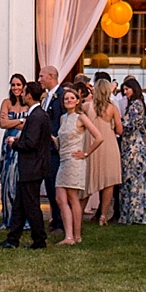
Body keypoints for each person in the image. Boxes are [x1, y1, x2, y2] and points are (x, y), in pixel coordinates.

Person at [1, 82, 52, 249]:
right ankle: (13, 238)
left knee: (31, 206)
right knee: (20, 205)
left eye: (23, 92)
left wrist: (14, 143)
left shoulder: (36, 116)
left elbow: (31, 143)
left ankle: (39, 240)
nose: (21, 95)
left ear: (29, 95)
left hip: (32, 167)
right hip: (32, 166)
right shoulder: (38, 114)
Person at [52, 86, 97, 245]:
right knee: (60, 198)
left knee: (72, 197)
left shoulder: (81, 117)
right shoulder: (63, 119)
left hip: (74, 161)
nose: (69, 101)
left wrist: (86, 153)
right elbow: (60, 143)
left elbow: (98, 137)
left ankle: (76, 235)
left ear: (77, 101)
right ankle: (68, 235)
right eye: (66, 99)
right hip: (63, 159)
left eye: (72, 98)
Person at [86, 76, 123, 224]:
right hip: (109, 143)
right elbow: (119, 129)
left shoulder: (87, 106)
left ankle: (82, 209)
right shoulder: (112, 107)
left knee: (90, 177)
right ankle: (103, 215)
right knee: (109, 180)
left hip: (92, 143)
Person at [34, 64, 65, 231]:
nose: (39, 80)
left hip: (55, 148)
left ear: (51, 76)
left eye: (41, 76)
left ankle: (60, 221)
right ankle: (55, 218)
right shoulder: (46, 97)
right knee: (50, 184)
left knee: (55, 184)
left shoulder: (61, 96)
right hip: (45, 149)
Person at [0, 74, 30, 233]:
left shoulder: (28, 104)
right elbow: (2, 123)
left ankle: (23, 219)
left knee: (21, 181)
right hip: (9, 147)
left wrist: (17, 123)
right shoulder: (7, 102)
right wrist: (22, 122)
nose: (16, 88)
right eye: (13, 85)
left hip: (24, 145)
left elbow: (31, 125)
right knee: (7, 181)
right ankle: (8, 218)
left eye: (19, 85)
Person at [116, 77, 146, 223]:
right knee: (131, 178)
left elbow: (131, 125)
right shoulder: (136, 104)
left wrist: (118, 122)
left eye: (127, 89)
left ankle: (134, 214)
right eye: (123, 90)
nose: (125, 92)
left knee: (133, 178)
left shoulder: (136, 104)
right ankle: (132, 213)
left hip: (133, 145)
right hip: (131, 143)